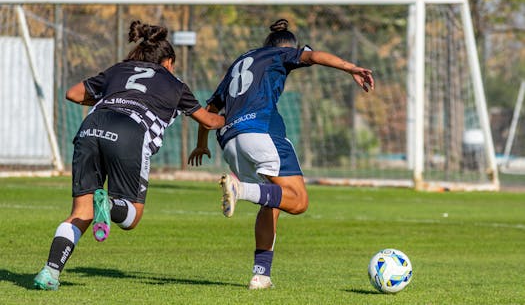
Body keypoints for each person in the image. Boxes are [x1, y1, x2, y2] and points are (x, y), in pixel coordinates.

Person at [34, 20, 225, 290]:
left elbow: (73, 93)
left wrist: (112, 98)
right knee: (132, 217)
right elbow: (208, 120)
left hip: (92, 125)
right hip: (130, 131)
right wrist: (231, 117)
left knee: (80, 211)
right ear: (168, 61)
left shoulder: (119, 69)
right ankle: (109, 206)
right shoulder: (175, 83)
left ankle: (50, 271)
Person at [188, 18, 374, 289]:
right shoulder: (280, 53)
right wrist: (351, 68)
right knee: (298, 201)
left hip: (230, 141)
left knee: (273, 201)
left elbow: (209, 112)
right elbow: (315, 56)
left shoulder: (240, 62)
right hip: (261, 132)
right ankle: (240, 190)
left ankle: (260, 276)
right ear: (287, 48)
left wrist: (201, 144)